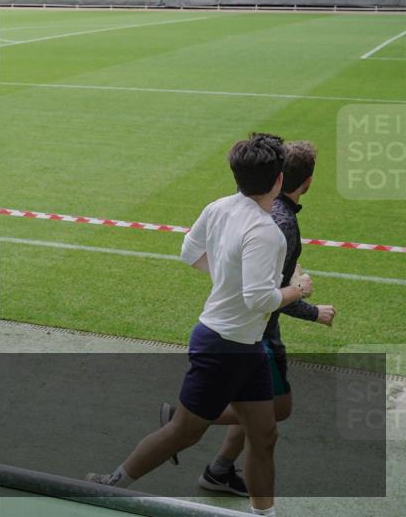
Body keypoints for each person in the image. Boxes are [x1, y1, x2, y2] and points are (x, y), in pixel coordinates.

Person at [87, 133, 313, 517]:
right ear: (278, 180)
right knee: (183, 432)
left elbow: (189, 251)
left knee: (264, 434)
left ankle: (264, 513)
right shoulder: (266, 232)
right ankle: (110, 486)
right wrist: (296, 289)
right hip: (223, 347)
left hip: (247, 347)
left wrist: (225, 278)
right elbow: (260, 299)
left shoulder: (219, 207)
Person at [174, 140, 336, 496]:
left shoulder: (263, 212)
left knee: (264, 412)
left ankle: (217, 468)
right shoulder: (279, 226)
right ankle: (184, 422)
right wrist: (312, 309)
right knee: (277, 408)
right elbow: (266, 297)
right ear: (304, 181)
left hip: (250, 330)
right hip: (256, 334)